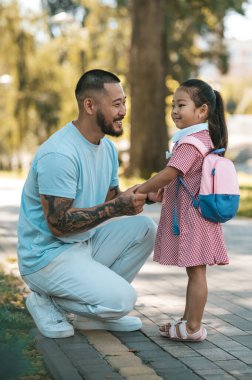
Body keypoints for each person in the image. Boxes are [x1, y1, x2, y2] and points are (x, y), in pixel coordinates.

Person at [17, 69, 157, 339]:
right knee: (123, 300)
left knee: (144, 228)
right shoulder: (59, 153)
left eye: (124, 102)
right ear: (89, 105)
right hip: (47, 257)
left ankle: (92, 316)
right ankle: (46, 300)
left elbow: (111, 199)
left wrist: (148, 194)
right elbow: (59, 225)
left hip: (83, 244)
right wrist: (118, 208)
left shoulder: (106, 148)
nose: (124, 110)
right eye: (117, 104)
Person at [135, 79, 229, 342]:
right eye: (173, 105)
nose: (175, 110)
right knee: (194, 271)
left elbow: (170, 173)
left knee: (197, 271)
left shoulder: (191, 143)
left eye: (181, 105)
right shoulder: (199, 138)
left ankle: (193, 327)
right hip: (198, 215)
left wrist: (141, 190)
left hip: (194, 218)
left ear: (202, 111)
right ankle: (188, 320)